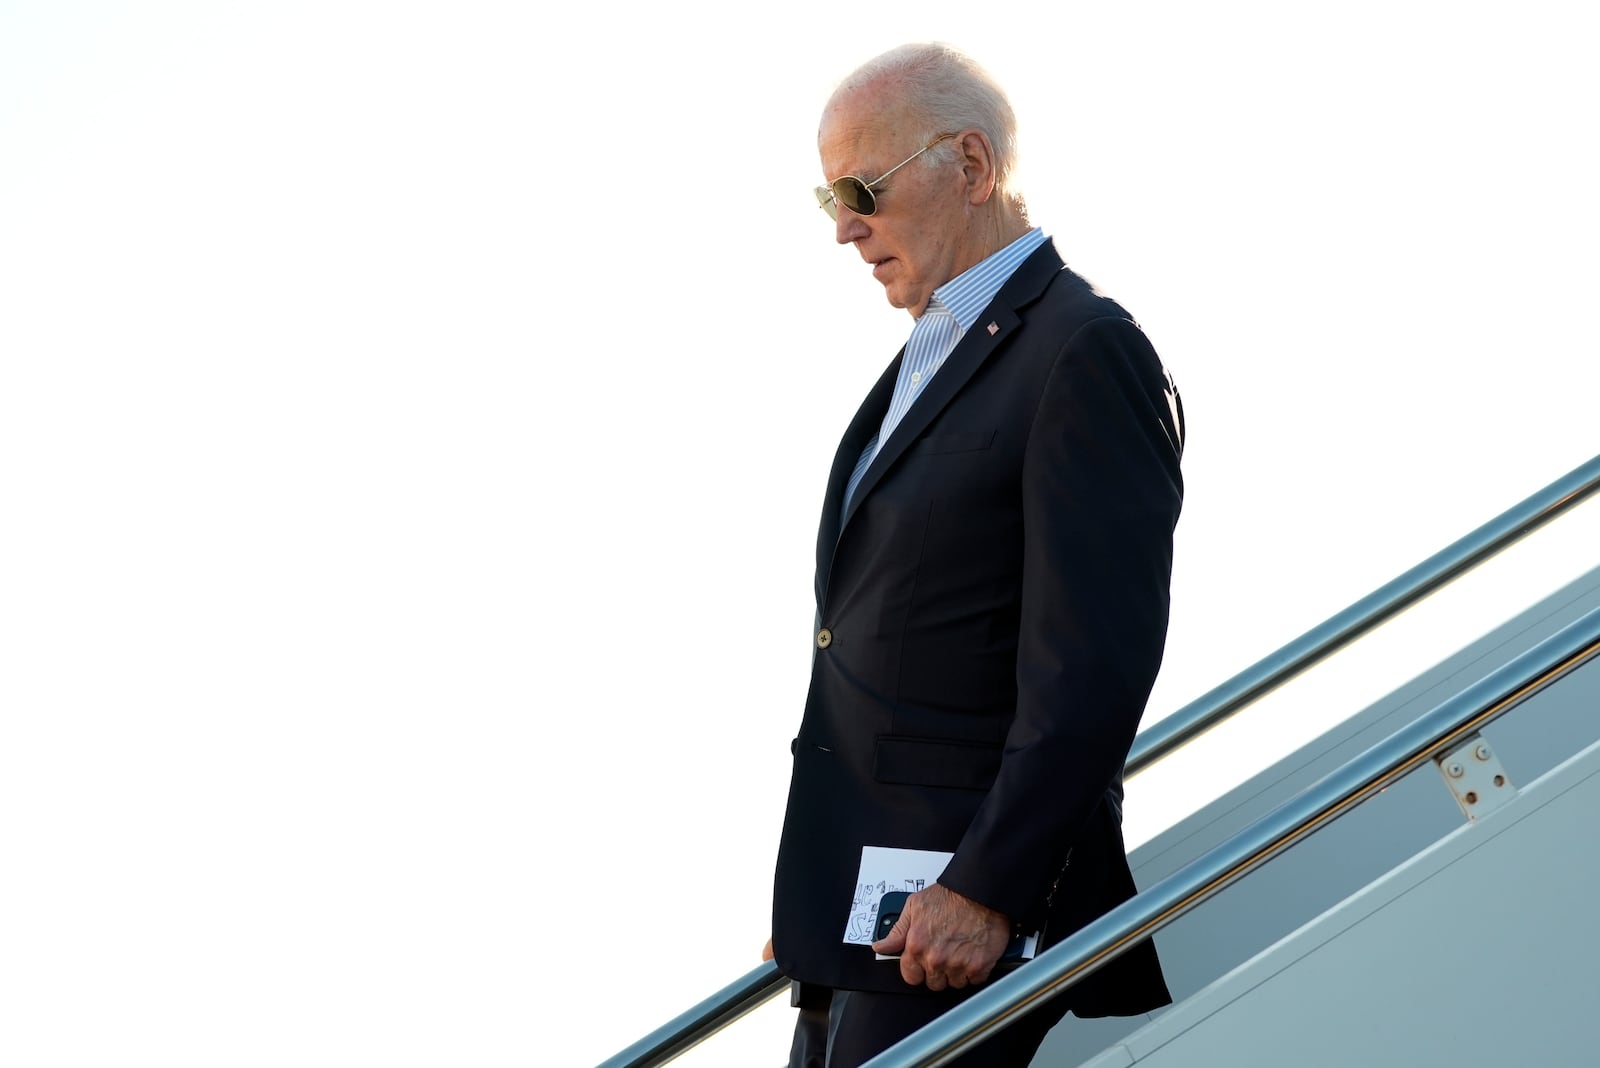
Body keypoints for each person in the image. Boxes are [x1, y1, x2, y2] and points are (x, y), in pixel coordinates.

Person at [764, 43, 1185, 1067]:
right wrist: (818, 877)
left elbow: (1090, 662)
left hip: (962, 918)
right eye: (828, 196)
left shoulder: (1079, 350)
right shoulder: (932, 353)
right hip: (866, 917)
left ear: (972, 164)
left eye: (861, 189)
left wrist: (987, 887)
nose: (843, 227)